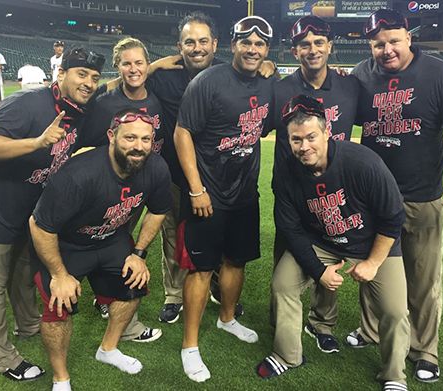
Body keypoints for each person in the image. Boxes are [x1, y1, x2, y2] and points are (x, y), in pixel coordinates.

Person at [348, 9, 443, 383]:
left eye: (393, 41)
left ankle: (424, 350)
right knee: (373, 271)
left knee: (422, 278)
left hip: (421, 196)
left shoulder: (439, 74)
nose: (386, 50)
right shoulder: (361, 75)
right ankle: (371, 330)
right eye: (378, 44)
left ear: (408, 36)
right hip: (374, 195)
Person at [0, 47, 104, 382]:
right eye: (81, 74)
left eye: (94, 78)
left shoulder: (79, 111)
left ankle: (28, 325)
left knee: (24, 273)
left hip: (28, 209)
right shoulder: (27, 103)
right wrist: (38, 141)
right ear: (61, 74)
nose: (88, 83)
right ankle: (3, 358)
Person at [258, 95, 410, 391]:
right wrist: (318, 271)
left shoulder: (362, 162)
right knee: (282, 285)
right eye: (296, 140)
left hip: (372, 244)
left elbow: (393, 217)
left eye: (311, 137)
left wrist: (373, 262)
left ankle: (394, 376)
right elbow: (290, 227)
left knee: (394, 310)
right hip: (322, 242)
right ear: (288, 141)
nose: (305, 147)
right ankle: (287, 355)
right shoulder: (287, 172)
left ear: (327, 133)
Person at [29, 108, 171, 391]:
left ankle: (108, 349)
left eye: (146, 139)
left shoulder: (156, 167)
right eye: (130, 137)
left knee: (133, 284)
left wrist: (139, 253)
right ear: (111, 136)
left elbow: (158, 211)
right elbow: (40, 225)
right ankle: (61, 378)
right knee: (59, 307)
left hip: (112, 239)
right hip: (67, 246)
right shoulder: (79, 175)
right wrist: (59, 275)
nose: (139, 147)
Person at [173, 15, 275, 382]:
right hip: (208, 195)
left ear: (266, 49)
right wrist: (197, 189)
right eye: (245, 42)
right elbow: (182, 133)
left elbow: (274, 122)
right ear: (231, 44)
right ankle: (190, 345)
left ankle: (227, 318)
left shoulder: (269, 82)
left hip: (245, 193)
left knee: (236, 261)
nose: (252, 49)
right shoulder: (208, 81)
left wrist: (271, 69)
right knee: (200, 269)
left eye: (259, 44)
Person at [270, 15, 360, 352]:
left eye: (319, 42)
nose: (313, 49)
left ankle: (323, 323)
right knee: (286, 259)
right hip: (291, 192)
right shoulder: (278, 88)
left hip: (334, 191)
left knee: (331, 259)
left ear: (330, 46)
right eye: (305, 44)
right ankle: (281, 320)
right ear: (295, 51)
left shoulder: (350, 86)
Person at [81, 37, 164, 342]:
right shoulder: (106, 104)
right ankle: (112, 304)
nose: (133, 69)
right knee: (109, 241)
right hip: (112, 188)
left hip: (143, 185)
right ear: (117, 67)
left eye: (139, 62)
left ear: (147, 64)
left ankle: (106, 298)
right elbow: (84, 142)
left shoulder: (156, 98)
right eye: (126, 63)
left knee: (121, 241)